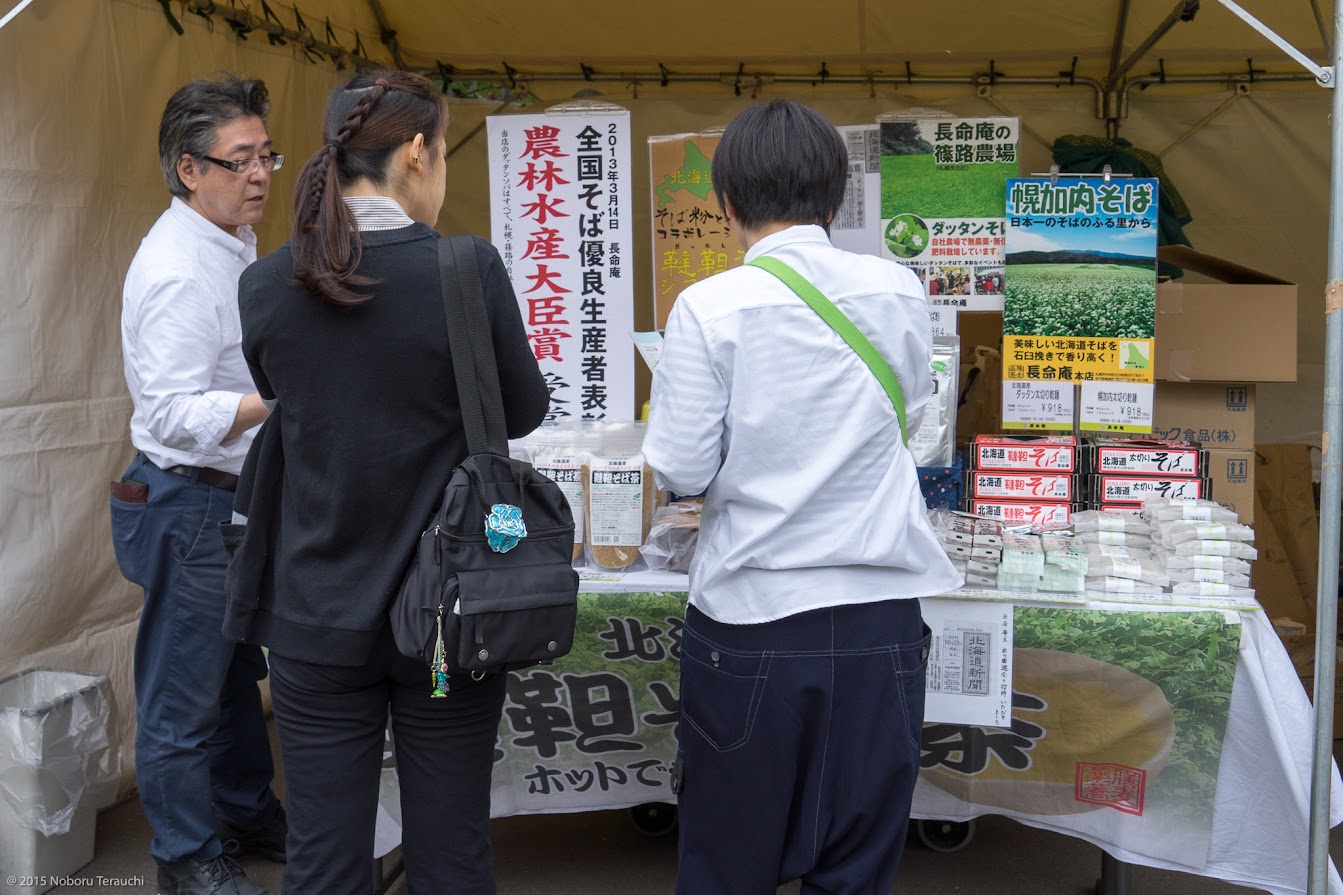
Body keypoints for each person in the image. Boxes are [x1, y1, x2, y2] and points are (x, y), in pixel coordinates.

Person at [221, 69, 549, 895]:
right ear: (415, 152)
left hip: (312, 617)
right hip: (446, 622)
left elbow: (293, 400)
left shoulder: (263, 285)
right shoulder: (463, 269)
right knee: (450, 849)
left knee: (324, 858)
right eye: (440, 153)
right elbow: (524, 408)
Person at [642, 99, 964, 895]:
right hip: (881, 617)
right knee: (855, 865)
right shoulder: (898, 292)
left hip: (751, 618)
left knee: (728, 862)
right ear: (835, 197)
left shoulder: (708, 307)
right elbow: (913, 418)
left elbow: (680, 468)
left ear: (724, 204)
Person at [110, 74, 286, 895]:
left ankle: (246, 814)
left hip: (226, 497)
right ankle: (185, 858)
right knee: (183, 694)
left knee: (229, 673)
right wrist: (283, 399)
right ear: (190, 168)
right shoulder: (180, 269)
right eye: (240, 160)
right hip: (189, 498)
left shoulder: (227, 241)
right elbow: (174, 410)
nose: (258, 175)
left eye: (266, 156)